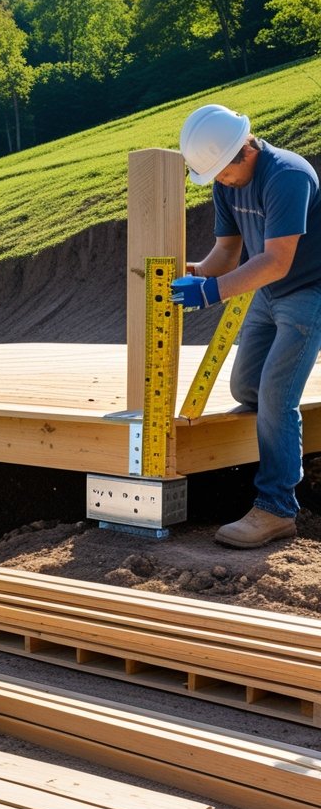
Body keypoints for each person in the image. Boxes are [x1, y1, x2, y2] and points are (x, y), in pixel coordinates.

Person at [172, 103, 321, 548]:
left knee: (276, 397)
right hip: (268, 294)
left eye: (221, 172)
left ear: (244, 151)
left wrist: (213, 293)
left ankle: (277, 509)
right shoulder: (227, 184)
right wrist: (192, 275)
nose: (218, 181)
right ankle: (281, 409)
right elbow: (226, 256)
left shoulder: (287, 176)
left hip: (308, 291)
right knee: (246, 389)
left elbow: (277, 261)